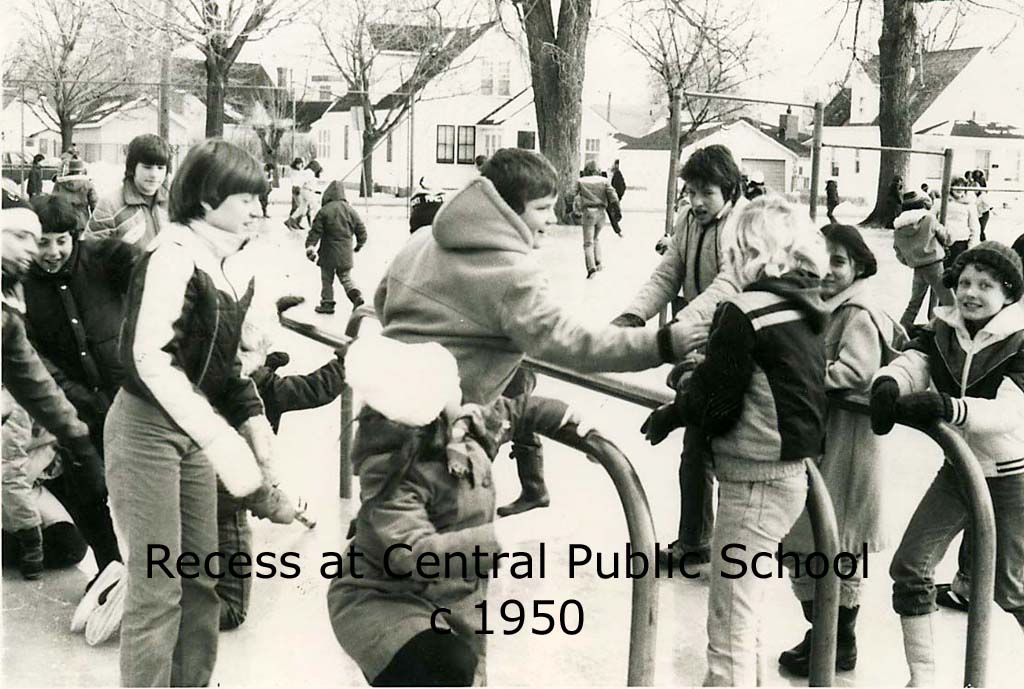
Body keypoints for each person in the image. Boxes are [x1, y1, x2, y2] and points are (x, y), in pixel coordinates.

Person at [366, 147, 705, 549]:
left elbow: (383, 302)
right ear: (508, 210)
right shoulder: (513, 274)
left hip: (380, 423)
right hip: (442, 441)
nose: (552, 219)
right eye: (542, 209)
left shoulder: (422, 240)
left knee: (386, 538)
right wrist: (661, 343)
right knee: (441, 560)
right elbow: (574, 345)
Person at [103, 139, 294, 686]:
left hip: (192, 432)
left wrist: (254, 423)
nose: (257, 210)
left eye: (259, 199)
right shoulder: (172, 255)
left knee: (200, 579)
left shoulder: (226, 263)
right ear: (208, 200)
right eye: (245, 199)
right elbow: (148, 359)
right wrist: (221, 438)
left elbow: (224, 367)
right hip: (147, 429)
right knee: (158, 585)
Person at [329, 335, 593, 686]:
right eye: (452, 385)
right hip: (381, 600)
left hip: (446, 599)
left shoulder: (460, 430)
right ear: (431, 404)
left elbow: (512, 412)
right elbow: (413, 553)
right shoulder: (389, 473)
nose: (460, 391)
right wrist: (506, 535)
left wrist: (565, 416)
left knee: (459, 669)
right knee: (448, 665)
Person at [641, 195, 828, 686]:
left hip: (753, 478)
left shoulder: (743, 312)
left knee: (728, 626)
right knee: (745, 615)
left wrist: (677, 405)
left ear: (748, 253)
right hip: (790, 475)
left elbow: (717, 401)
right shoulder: (804, 306)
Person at [870, 241, 1024, 686]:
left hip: (1011, 476)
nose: (971, 293)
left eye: (986, 285)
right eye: (965, 283)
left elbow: (1012, 411)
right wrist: (889, 383)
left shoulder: (1019, 340)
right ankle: (923, 677)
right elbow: (915, 361)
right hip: (959, 470)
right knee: (910, 565)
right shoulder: (945, 329)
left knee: (1011, 588)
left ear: (1009, 293)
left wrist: (949, 408)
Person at [611, 144, 749, 570]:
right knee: (695, 444)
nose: (697, 201)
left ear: (729, 189)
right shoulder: (688, 219)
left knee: (725, 448)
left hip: (737, 344)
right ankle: (696, 540)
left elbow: (728, 285)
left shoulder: (743, 225)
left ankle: (731, 548)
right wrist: (633, 315)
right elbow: (668, 273)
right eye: (691, 191)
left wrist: (678, 326)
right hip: (703, 340)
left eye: (707, 192)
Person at [778, 224, 904, 677]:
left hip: (846, 445)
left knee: (838, 545)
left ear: (859, 267)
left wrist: (797, 372)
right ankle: (822, 631)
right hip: (818, 441)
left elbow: (856, 371)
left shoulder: (857, 313)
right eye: (821, 259)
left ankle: (838, 639)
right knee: (805, 541)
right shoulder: (815, 304)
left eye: (839, 261)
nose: (828, 270)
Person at [20, 193, 129, 619]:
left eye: (61, 241)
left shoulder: (103, 259)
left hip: (127, 397)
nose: (52, 252)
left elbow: (153, 279)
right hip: (73, 409)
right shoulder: (19, 284)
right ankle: (110, 568)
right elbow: (31, 356)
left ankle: (155, 572)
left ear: (75, 236)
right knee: (89, 491)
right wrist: (77, 398)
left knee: (140, 487)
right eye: (42, 242)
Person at [1, 181, 105, 587]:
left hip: (21, 464)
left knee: (67, 544)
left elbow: (35, 382)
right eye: (21, 236)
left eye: (36, 238)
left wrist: (79, 441)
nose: (32, 249)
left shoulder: (9, 310)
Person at [217, 310, 345, 630]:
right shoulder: (263, 386)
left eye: (247, 350)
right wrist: (345, 362)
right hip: (236, 487)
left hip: (229, 478)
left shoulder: (221, 375)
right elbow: (316, 388)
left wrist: (269, 362)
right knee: (233, 596)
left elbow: (311, 387)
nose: (239, 357)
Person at [2, 393, 89, 578]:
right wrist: (30, 539)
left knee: (75, 542)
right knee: (68, 545)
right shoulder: (20, 404)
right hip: (12, 483)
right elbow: (9, 473)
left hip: (36, 477)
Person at [85, 134, 171, 246]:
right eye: (147, 167)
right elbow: (90, 249)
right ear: (132, 167)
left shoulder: (174, 204)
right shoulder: (109, 205)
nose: (154, 174)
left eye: (160, 168)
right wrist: (122, 249)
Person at [893, 189, 953, 333]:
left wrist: (910, 260)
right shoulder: (929, 219)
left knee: (914, 303)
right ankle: (951, 329)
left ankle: (900, 331)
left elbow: (898, 250)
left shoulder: (898, 228)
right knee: (948, 299)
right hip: (934, 263)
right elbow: (946, 238)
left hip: (917, 267)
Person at [305, 181, 367, 315]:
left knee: (327, 279)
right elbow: (361, 230)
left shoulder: (324, 211)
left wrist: (310, 247)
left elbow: (315, 231)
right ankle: (356, 297)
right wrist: (359, 244)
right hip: (345, 253)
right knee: (346, 278)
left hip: (328, 252)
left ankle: (327, 303)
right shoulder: (351, 211)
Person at [572, 159, 620, 277]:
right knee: (596, 238)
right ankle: (598, 262)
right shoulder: (604, 181)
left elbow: (570, 195)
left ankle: (591, 268)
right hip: (601, 213)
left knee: (588, 242)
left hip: (588, 212)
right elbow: (613, 197)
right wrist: (617, 210)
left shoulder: (581, 181)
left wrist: (569, 207)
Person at [51, 159, 97, 232]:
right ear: (81, 170)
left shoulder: (60, 183)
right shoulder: (88, 184)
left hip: (64, 220)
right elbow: (94, 203)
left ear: (70, 169)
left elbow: (53, 203)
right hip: (82, 220)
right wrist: (95, 221)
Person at [944, 176, 980, 268]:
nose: (959, 188)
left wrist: (971, 247)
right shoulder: (942, 202)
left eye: (962, 186)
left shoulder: (969, 205)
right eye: (957, 185)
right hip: (943, 243)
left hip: (961, 243)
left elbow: (974, 227)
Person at [973, 169, 991, 243]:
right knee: (977, 229)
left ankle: (984, 243)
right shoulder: (973, 182)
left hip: (983, 212)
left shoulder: (983, 194)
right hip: (977, 212)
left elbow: (987, 205)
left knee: (981, 229)